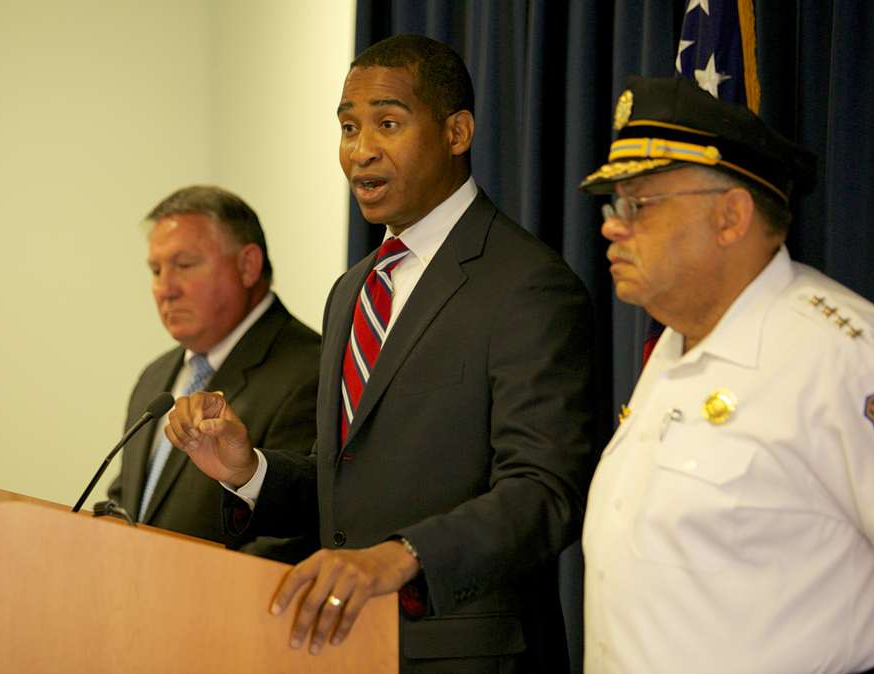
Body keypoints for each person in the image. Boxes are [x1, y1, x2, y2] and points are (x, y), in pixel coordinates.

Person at [166, 35, 594, 672]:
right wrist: (246, 469)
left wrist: (403, 554)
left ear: (457, 132)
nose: (360, 150)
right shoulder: (354, 289)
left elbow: (544, 493)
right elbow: (345, 490)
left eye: (388, 124)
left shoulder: (527, 284)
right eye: (347, 127)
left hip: (469, 657)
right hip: (349, 648)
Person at [578, 75, 874, 674]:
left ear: (731, 216)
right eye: (614, 205)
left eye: (639, 204)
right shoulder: (672, 347)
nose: (613, 226)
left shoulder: (848, 357)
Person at [104, 185, 321, 562]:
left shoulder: (312, 370)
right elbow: (128, 505)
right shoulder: (155, 379)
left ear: (247, 265)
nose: (165, 289)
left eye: (184, 265)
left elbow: (293, 538)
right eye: (156, 270)